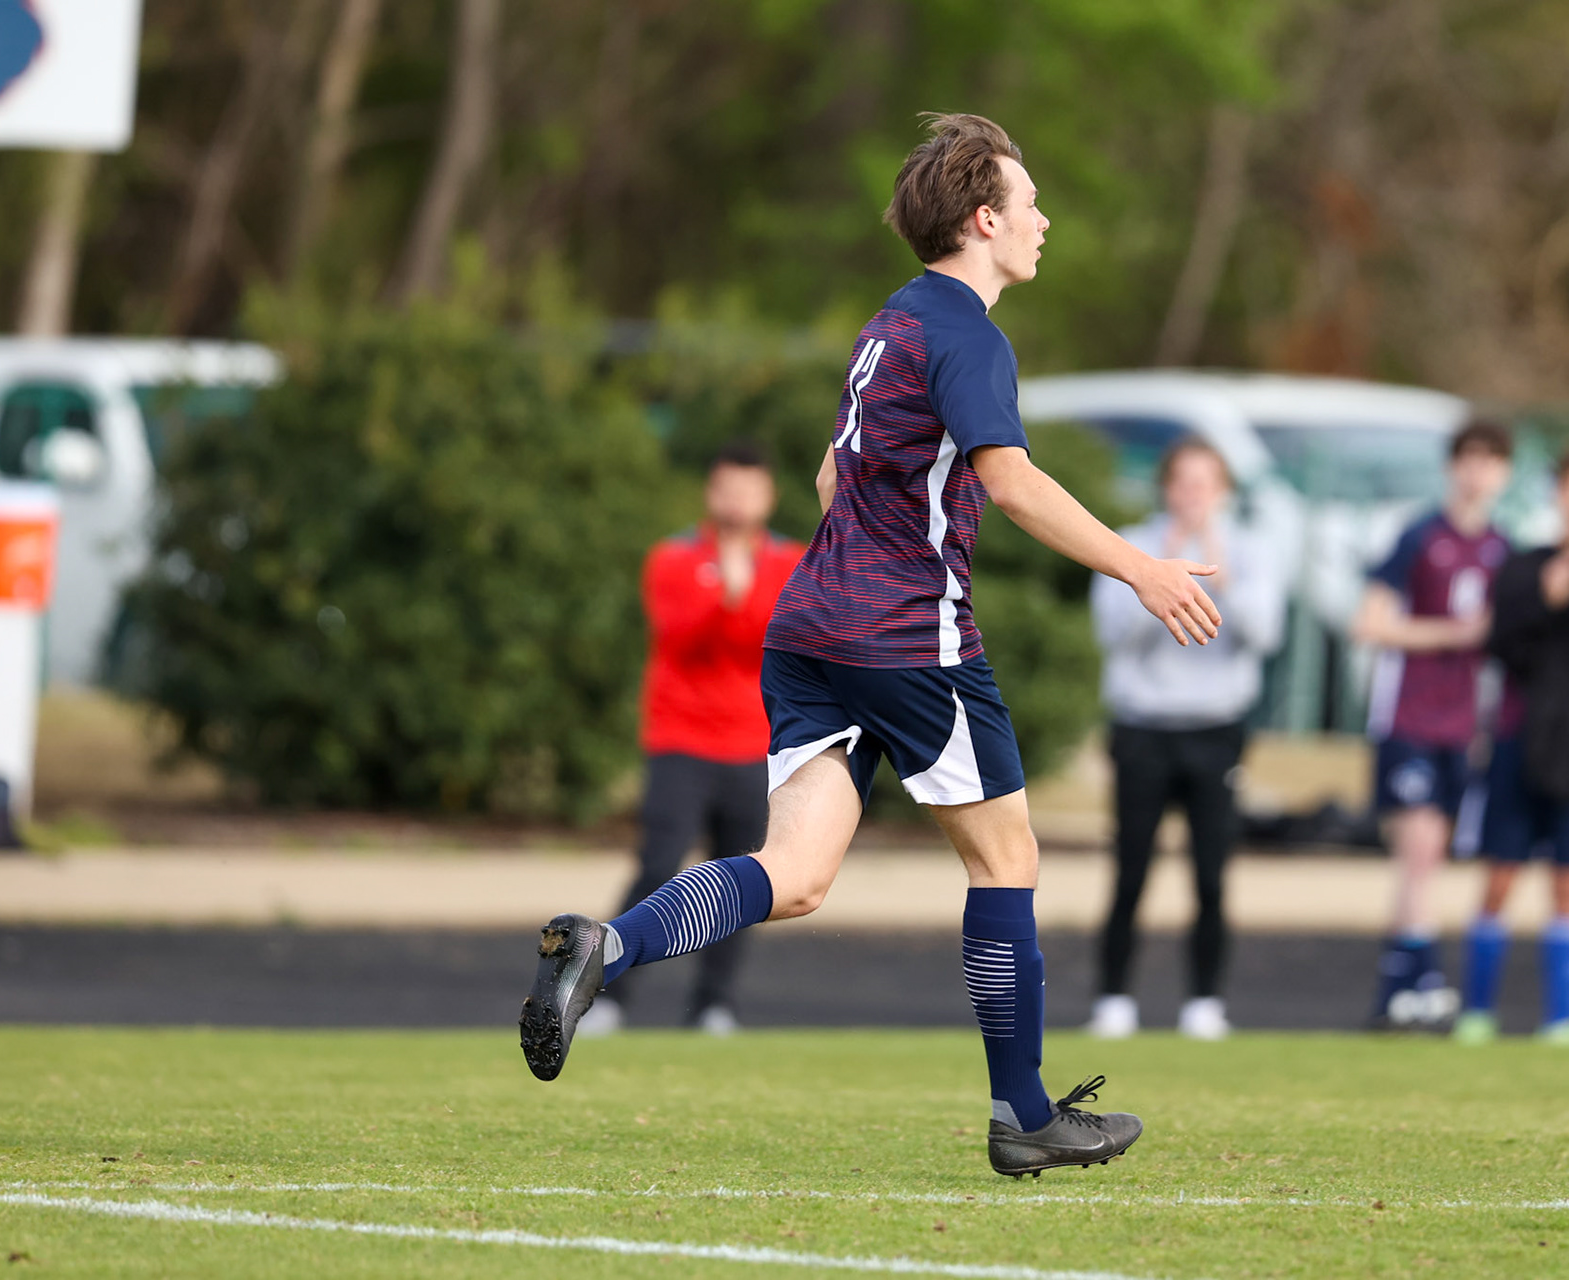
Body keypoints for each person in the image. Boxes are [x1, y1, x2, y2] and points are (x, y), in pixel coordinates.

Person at [518, 113, 1223, 1179]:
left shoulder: (890, 323)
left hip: (809, 629)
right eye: (1030, 204)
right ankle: (1024, 1111)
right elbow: (1012, 480)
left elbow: (826, 479)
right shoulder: (969, 335)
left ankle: (608, 948)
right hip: (908, 635)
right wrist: (1143, 565)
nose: (1045, 220)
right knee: (1008, 858)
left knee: (795, 873)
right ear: (985, 221)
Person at [576, 441, 804, 1039]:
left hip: (754, 744)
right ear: (710, 492)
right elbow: (680, 635)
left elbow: (778, 637)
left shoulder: (788, 560)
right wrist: (729, 598)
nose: (737, 499)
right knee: (656, 866)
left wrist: (738, 597)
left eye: (749, 488)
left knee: (742, 879)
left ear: (769, 496)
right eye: (727, 487)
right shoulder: (674, 557)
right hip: (680, 739)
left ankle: (713, 1005)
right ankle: (608, 996)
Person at [1086, 437, 1286, 1042]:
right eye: (1183, 483)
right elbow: (1112, 633)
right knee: (1130, 869)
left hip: (1215, 729)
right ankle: (1114, 998)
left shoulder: (1249, 551)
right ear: (1167, 488)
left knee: (1210, 872)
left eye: (1206, 484)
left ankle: (1205, 1001)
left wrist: (1217, 574)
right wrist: (1156, 572)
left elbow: (1265, 634)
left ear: (1223, 492)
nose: (1194, 496)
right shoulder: (1132, 542)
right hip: (1143, 726)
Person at [1454, 440, 1569, 1046]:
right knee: (1501, 873)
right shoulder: (1522, 566)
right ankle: (1477, 1013)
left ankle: (1565, 1019)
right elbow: (1503, 648)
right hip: (1519, 736)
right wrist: (1546, 602)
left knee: (1568, 879)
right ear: (1558, 495)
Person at [1350, 419, 1513, 1032]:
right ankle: (1425, 978)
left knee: (1429, 859)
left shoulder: (1504, 548)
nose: (1478, 474)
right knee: (1418, 850)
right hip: (1409, 717)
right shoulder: (1420, 537)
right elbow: (1369, 622)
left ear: (1504, 473)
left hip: (1462, 725)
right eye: (1468, 460)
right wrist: (1451, 634)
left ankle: (1397, 988)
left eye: (1490, 462)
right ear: (1453, 467)